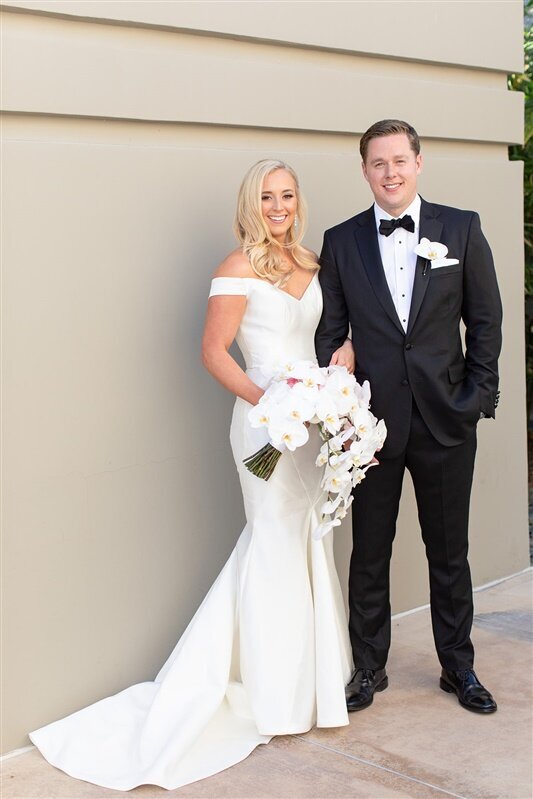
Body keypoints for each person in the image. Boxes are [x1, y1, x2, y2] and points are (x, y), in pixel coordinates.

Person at [29, 159, 356, 791]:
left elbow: (326, 340)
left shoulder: (315, 264)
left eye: (287, 195)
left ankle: (312, 686)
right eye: (267, 196)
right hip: (265, 428)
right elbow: (213, 352)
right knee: (271, 540)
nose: (279, 206)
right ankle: (271, 695)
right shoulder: (234, 268)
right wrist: (274, 406)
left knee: (309, 538)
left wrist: (332, 381)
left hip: (311, 423)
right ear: (250, 202)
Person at [315, 119, 502, 716]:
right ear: (364, 170)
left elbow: (487, 320)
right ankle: (368, 669)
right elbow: (329, 331)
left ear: (418, 163)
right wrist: (337, 365)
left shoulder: (461, 229)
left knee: (449, 550)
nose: (390, 173)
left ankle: (459, 667)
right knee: (369, 550)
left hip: (447, 419)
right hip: (372, 425)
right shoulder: (341, 242)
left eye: (400, 160)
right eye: (378, 163)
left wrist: (477, 398)